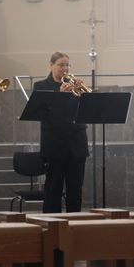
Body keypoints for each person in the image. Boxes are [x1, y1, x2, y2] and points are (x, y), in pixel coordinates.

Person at [34, 52, 89, 214]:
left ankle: (75, 225)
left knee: (75, 190)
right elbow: (46, 114)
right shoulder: (41, 86)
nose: (65, 69)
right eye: (61, 65)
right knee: (53, 189)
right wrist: (61, 96)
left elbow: (84, 111)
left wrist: (81, 94)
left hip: (77, 145)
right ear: (51, 65)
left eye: (67, 65)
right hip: (55, 145)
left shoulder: (75, 87)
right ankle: (52, 226)